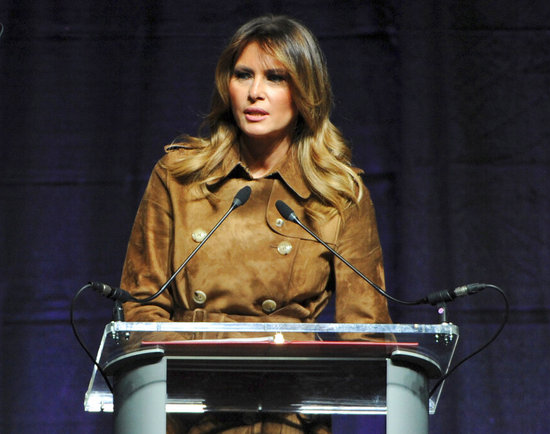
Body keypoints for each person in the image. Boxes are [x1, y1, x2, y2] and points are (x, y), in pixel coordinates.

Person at [120, 15, 392, 434]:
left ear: (305, 92)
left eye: (275, 77)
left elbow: (367, 334)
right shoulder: (179, 177)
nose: (254, 92)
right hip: (192, 406)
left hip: (287, 410)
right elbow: (141, 306)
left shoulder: (338, 194)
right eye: (243, 74)